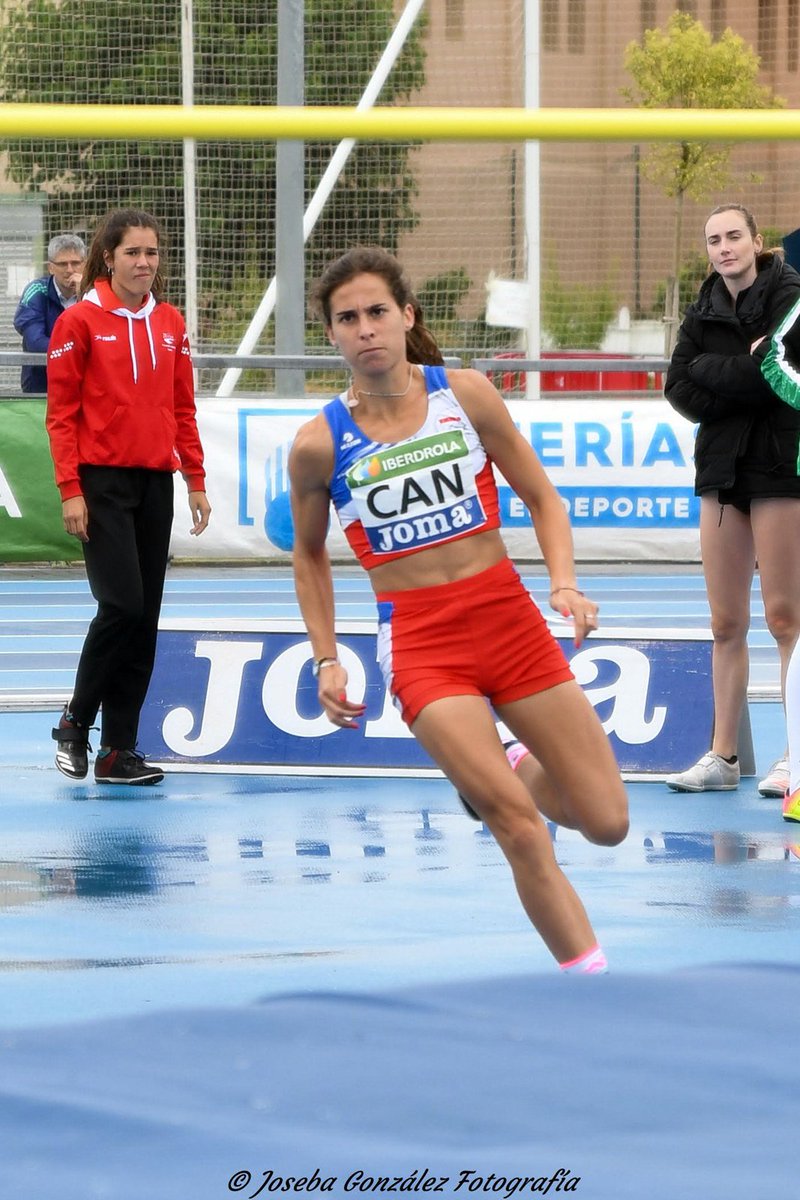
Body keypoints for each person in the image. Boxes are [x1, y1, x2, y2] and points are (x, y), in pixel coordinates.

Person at [288, 246, 629, 975]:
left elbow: (541, 497)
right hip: (422, 645)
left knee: (606, 822)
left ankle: (512, 760)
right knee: (521, 831)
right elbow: (309, 556)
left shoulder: (465, 395)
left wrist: (563, 583)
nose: (366, 328)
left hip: (508, 620)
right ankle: (596, 988)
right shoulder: (318, 445)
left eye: (378, 311)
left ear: (407, 317)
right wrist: (325, 656)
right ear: (332, 336)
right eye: (348, 319)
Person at [45, 208, 211, 786]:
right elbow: (61, 416)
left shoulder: (169, 322)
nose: (144, 262)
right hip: (100, 483)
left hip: (154, 483)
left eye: (153, 252)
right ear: (108, 257)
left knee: (146, 619)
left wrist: (195, 479)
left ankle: (118, 751)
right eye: (133, 252)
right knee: (121, 605)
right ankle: (74, 720)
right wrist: (71, 489)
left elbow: (183, 407)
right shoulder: (80, 322)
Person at [664, 203, 800, 799]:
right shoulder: (702, 307)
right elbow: (678, 385)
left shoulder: (790, 294)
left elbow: (778, 376)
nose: (724, 248)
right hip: (722, 471)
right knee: (726, 622)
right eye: (714, 240)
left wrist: (714, 373)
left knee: (786, 618)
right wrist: (738, 370)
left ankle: (796, 757)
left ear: (756, 240)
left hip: (779, 467)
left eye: (734, 236)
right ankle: (723, 755)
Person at [13, 233, 87, 393]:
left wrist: (84, 297)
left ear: (85, 265)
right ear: (50, 267)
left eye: (75, 263)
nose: (69, 270)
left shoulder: (94, 293)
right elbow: (35, 342)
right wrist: (76, 350)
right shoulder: (36, 291)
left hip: (84, 388)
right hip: (42, 389)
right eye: (62, 264)